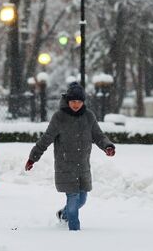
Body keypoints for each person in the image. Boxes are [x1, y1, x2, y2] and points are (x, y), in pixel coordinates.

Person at [25, 82, 116, 231]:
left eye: (79, 101)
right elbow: (46, 138)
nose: (76, 104)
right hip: (65, 166)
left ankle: (63, 214)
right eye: (73, 101)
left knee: (82, 199)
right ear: (68, 101)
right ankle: (74, 233)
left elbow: (99, 136)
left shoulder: (89, 116)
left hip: (83, 167)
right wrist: (33, 158)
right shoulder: (59, 117)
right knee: (73, 199)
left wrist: (108, 146)